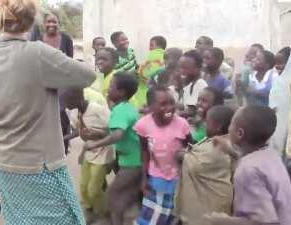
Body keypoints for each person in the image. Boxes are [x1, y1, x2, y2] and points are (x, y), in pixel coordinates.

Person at [0, 0, 96, 224]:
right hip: (39, 164)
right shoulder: (37, 53)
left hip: (5, 159)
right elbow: (87, 76)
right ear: (33, 21)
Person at [207, 105, 291, 225]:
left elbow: (267, 222)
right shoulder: (271, 156)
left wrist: (223, 221)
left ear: (239, 133)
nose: (229, 128)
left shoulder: (247, 170)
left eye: (231, 123)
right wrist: (232, 152)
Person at [83, 72, 141, 225]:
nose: (108, 89)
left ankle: (114, 221)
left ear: (121, 92)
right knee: (123, 195)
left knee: (112, 195)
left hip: (132, 162)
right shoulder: (126, 108)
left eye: (111, 86)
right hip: (131, 159)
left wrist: (94, 144)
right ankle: (119, 219)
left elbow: (118, 135)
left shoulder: (120, 111)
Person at [134, 86, 191, 225]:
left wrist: (184, 155)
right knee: (150, 218)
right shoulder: (143, 125)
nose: (170, 108)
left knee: (172, 214)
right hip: (156, 177)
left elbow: (191, 148)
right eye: (163, 104)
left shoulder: (182, 124)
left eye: (172, 102)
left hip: (178, 178)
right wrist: (144, 178)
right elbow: (144, 151)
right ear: (150, 106)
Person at [175, 105, 235, 225]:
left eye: (207, 123)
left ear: (218, 126)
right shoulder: (225, 140)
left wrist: (181, 155)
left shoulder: (218, 146)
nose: (204, 125)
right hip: (220, 199)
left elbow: (195, 165)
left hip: (209, 203)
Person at [63, 88, 114, 224]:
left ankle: (106, 213)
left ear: (78, 98)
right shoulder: (75, 113)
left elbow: (114, 130)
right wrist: (64, 138)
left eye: (67, 101)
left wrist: (97, 136)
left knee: (93, 190)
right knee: (84, 188)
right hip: (89, 153)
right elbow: (79, 132)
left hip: (103, 153)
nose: (65, 105)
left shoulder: (98, 110)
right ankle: (90, 210)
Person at [38, 11, 74, 154]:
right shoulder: (39, 39)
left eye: (54, 22)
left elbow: (70, 60)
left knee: (62, 115)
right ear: (44, 24)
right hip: (45, 83)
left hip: (62, 83)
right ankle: (48, 146)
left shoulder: (65, 39)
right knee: (46, 114)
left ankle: (64, 146)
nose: (51, 24)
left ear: (59, 24)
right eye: (49, 22)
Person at [269, 46, 291, 156]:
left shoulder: (285, 82)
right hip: (279, 125)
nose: (277, 66)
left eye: (281, 63)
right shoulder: (279, 81)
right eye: (275, 63)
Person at [134, 35, 166, 109]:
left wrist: (137, 73)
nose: (149, 48)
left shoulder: (153, 54)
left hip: (147, 91)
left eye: (151, 45)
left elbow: (144, 73)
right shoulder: (166, 56)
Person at [179, 50, 208, 116]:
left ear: (198, 68)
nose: (181, 71)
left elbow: (193, 112)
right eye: (180, 67)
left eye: (185, 68)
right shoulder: (188, 84)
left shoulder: (201, 85)